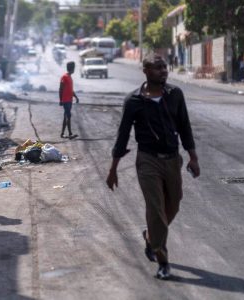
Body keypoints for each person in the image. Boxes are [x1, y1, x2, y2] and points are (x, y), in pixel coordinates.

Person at [106, 54, 200, 280]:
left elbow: (185, 127)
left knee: (173, 205)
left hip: (172, 159)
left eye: (165, 67)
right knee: (156, 209)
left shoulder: (175, 95)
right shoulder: (134, 101)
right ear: (146, 71)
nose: (163, 71)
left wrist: (193, 157)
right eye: (158, 68)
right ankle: (162, 259)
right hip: (147, 160)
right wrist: (113, 169)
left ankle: (150, 237)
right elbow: (122, 136)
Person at [59, 61, 79, 139]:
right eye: (74, 68)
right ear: (71, 68)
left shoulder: (70, 77)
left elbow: (71, 90)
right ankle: (70, 134)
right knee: (68, 116)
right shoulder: (64, 77)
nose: (74, 69)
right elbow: (60, 89)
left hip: (69, 100)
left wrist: (76, 97)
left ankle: (62, 133)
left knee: (66, 116)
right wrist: (60, 100)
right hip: (65, 100)